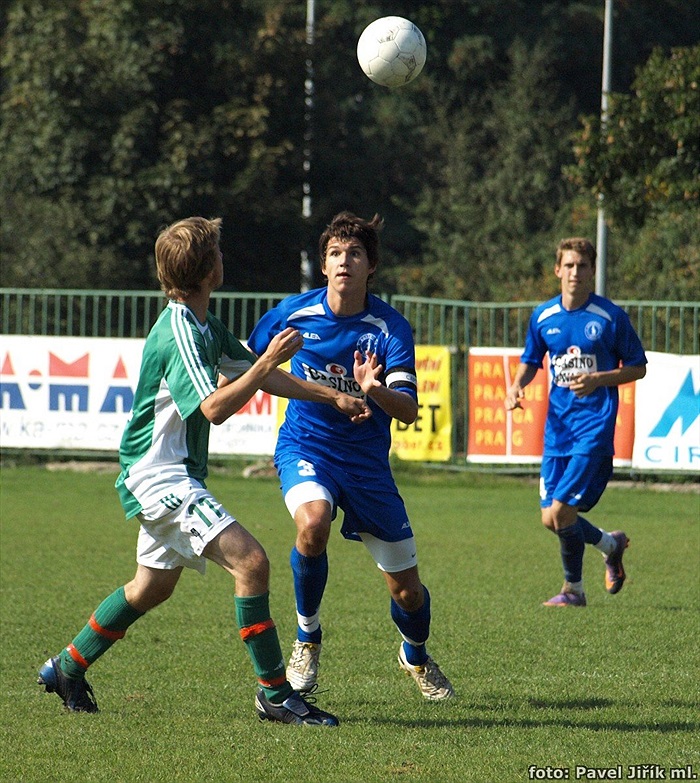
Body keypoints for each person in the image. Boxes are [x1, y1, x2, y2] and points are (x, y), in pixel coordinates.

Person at [37, 216, 370, 725]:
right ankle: (276, 695)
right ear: (207, 269)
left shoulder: (204, 325)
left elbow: (261, 378)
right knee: (252, 563)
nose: (222, 256)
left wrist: (333, 396)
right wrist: (266, 362)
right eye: (216, 249)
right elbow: (213, 407)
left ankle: (66, 667)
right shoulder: (180, 332)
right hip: (160, 475)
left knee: (151, 587)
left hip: (168, 475)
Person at [246, 211, 454, 701]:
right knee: (312, 523)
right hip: (307, 446)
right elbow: (248, 366)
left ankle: (415, 654)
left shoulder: (389, 327)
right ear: (323, 265)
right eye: (335, 253)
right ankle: (307, 639)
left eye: (354, 253)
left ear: (370, 266)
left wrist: (373, 389)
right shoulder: (291, 313)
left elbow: (406, 410)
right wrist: (260, 369)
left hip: (367, 467)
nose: (344, 261)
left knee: (407, 591)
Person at [504, 237, 647, 607]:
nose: (575, 273)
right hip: (558, 430)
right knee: (549, 519)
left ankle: (574, 591)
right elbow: (531, 360)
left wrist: (599, 379)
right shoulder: (543, 317)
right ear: (557, 270)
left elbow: (638, 367)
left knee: (562, 512)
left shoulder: (610, 317)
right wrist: (516, 387)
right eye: (568, 265)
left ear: (592, 271)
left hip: (593, 428)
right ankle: (611, 545)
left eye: (582, 266)